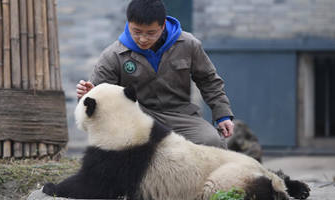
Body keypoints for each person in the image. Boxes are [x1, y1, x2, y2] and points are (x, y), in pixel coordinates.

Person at [76, 0, 234, 148]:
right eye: (136, 31)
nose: (143, 39)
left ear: (163, 25)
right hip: (136, 117)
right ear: (128, 23)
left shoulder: (188, 44)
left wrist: (223, 115)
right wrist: (88, 94)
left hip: (181, 116)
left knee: (212, 142)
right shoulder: (113, 55)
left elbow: (209, 81)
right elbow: (98, 96)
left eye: (151, 33)